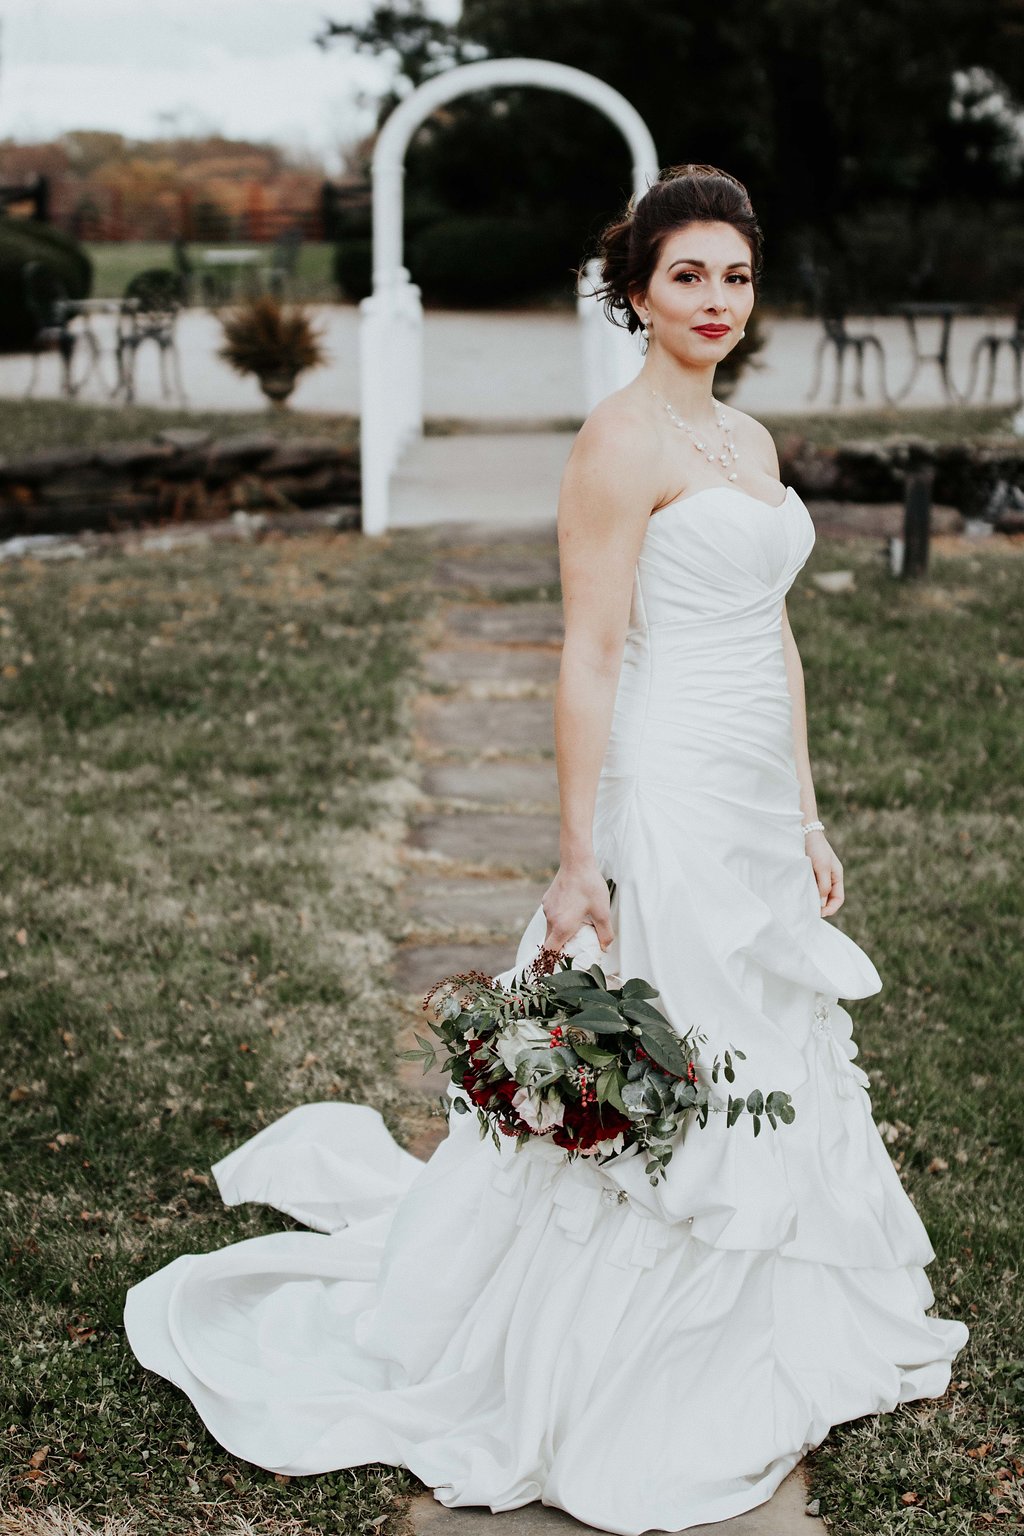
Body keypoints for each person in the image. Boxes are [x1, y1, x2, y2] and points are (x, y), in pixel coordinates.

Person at [123, 164, 969, 1535]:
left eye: (736, 277)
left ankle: (779, 1310)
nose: (714, 301)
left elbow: (777, 636)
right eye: (687, 275)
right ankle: (616, 1357)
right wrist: (581, 854)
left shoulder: (747, 445)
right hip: (666, 790)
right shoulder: (616, 442)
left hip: (753, 798)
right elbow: (582, 654)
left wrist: (807, 816)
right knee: (675, 1053)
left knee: (774, 1039)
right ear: (636, 289)